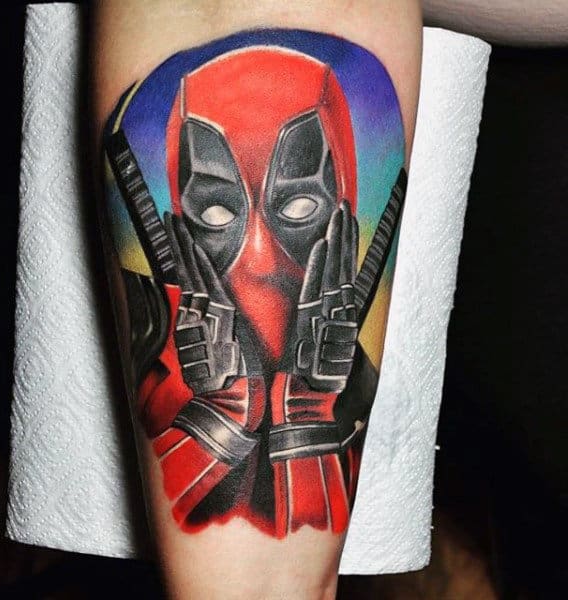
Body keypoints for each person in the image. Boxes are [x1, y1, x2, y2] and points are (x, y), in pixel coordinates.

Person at [92, 1, 421, 598]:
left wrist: (310, 411)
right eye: (217, 212)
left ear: (345, 207)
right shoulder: (155, 340)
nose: (263, 259)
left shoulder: (355, 377)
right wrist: (218, 413)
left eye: (298, 204)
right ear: (179, 226)